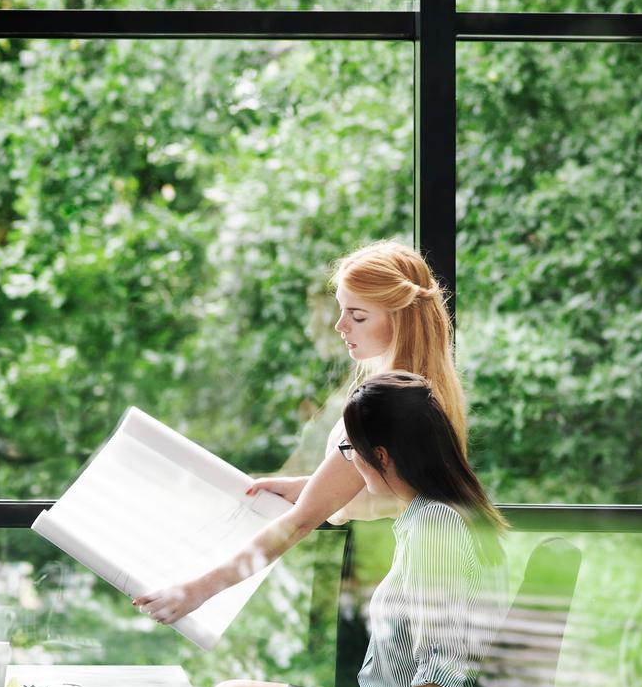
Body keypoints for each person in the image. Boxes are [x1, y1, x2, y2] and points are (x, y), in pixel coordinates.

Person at [141, 372, 509, 687]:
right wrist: (299, 490)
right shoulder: (439, 514)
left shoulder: (436, 528)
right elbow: (342, 507)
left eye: (348, 450)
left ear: (381, 456)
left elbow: (438, 686)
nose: (347, 461)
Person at [133, 239, 468, 634]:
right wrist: (312, 485)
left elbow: (299, 523)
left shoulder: (385, 406)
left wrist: (196, 591)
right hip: (400, 581)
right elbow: (393, 484)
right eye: (342, 311)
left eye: (357, 316)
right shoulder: (427, 391)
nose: (341, 326)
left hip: (384, 593)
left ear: (401, 319)